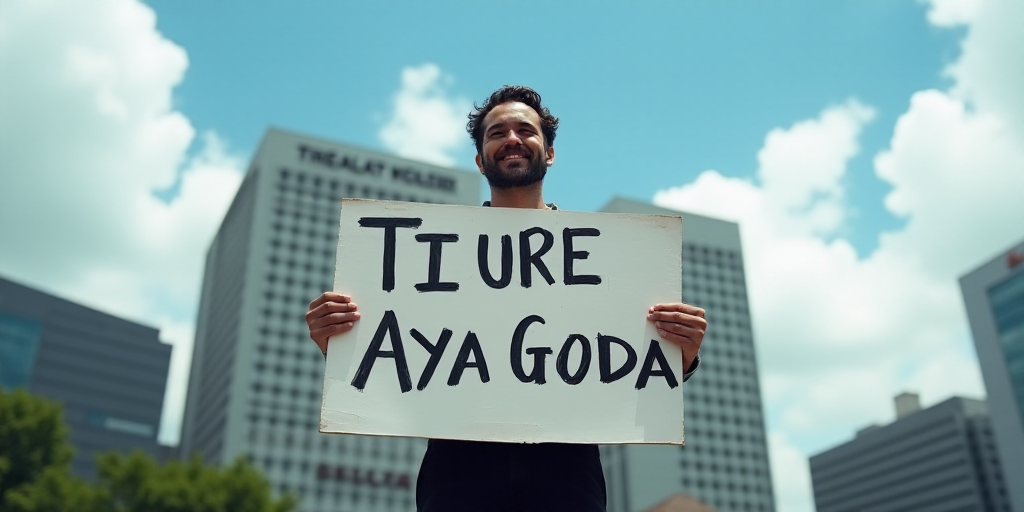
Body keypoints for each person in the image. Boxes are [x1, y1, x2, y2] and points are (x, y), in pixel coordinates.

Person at [305, 86, 707, 512]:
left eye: (524, 130)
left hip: (566, 472)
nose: (512, 138)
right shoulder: (428, 257)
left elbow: (621, 364)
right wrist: (339, 339)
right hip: (458, 470)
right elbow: (400, 353)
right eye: (497, 132)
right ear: (480, 159)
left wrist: (679, 354)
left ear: (549, 152)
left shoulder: (608, 261)